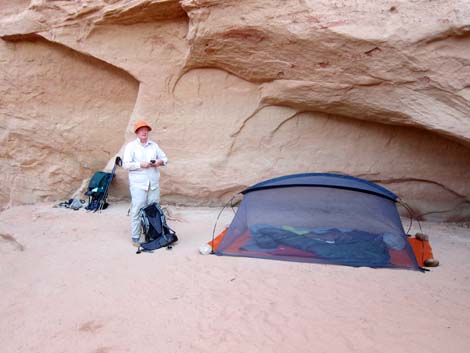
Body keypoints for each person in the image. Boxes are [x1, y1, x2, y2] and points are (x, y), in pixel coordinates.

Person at [123, 120, 168, 246]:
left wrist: (159, 162)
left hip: (153, 184)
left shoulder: (154, 145)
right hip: (138, 184)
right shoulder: (131, 146)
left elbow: (165, 159)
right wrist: (140, 164)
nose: (144, 132)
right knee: (137, 209)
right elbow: (126, 164)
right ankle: (135, 237)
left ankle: (152, 235)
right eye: (141, 130)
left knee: (153, 210)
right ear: (137, 132)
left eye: (146, 129)